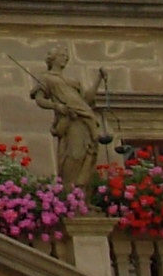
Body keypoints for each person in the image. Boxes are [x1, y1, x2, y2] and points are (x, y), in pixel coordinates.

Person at [26, 43, 107, 190]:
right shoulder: (47, 78)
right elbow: (40, 99)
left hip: (85, 117)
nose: (65, 58)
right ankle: (70, 190)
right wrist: (57, 106)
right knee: (75, 154)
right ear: (53, 58)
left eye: (66, 56)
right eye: (62, 56)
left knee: (88, 153)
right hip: (71, 119)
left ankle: (81, 192)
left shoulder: (73, 82)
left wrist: (98, 79)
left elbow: (86, 100)